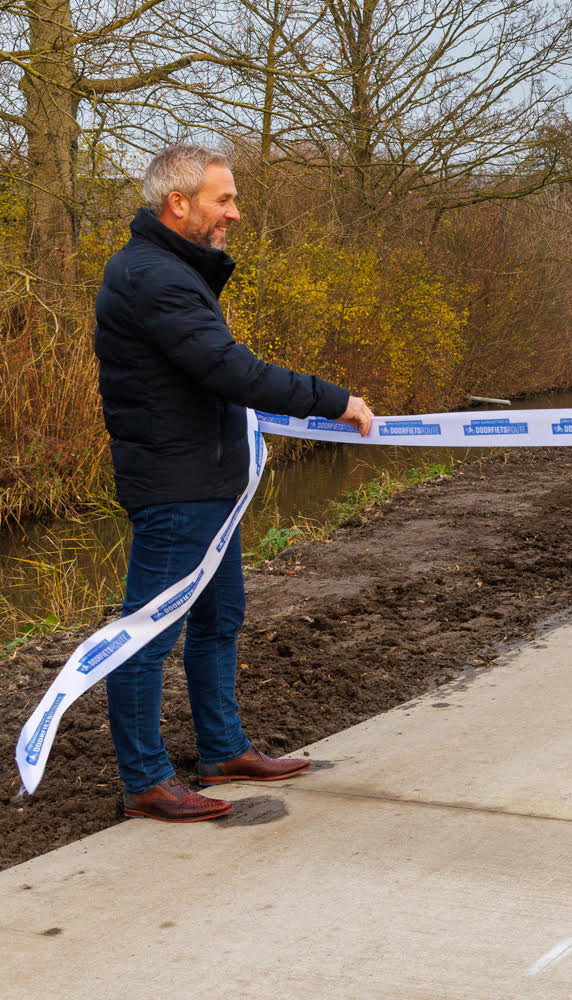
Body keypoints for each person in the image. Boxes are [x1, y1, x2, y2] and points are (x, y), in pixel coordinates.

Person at [93, 143, 376, 822]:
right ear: (178, 203)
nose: (236, 213)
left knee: (219, 621)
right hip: (175, 485)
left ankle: (222, 750)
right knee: (147, 636)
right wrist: (332, 399)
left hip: (210, 484)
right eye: (224, 199)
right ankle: (147, 784)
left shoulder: (173, 270)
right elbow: (230, 371)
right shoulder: (152, 277)